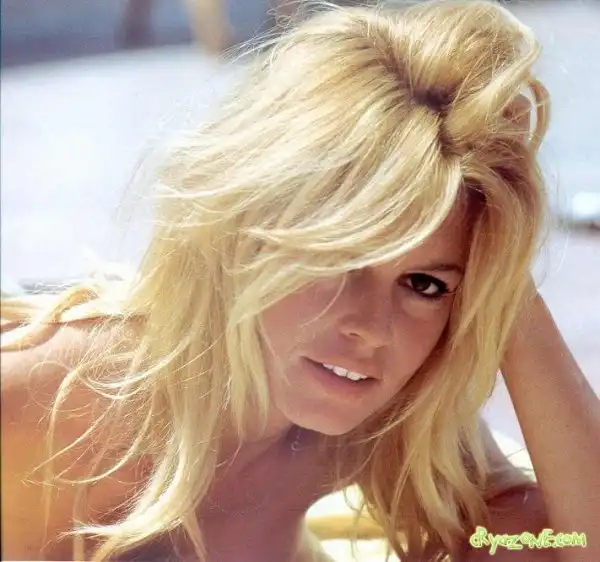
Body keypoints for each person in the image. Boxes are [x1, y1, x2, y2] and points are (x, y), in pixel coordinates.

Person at [2, 1, 599, 561]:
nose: (371, 328)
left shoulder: (386, 424)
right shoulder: (54, 404)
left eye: (424, 284)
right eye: (336, 259)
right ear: (244, 231)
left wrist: (502, 269)